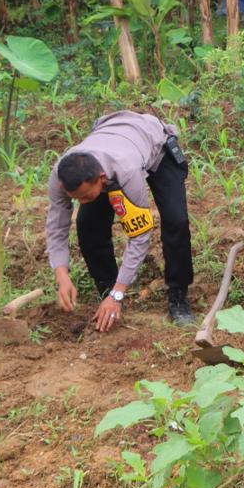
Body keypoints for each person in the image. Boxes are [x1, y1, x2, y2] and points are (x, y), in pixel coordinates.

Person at [46, 111, 195, 332]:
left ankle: (178, 295)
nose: (81, 202)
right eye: (75, 198)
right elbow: (57, 228)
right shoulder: (60, 176)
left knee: (176, 221)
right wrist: (62, 276)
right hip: (114, 141)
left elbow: (140, 235)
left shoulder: (127, 171)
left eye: (85, 196)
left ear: (101, 179)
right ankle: (107, 289)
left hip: (156, 147)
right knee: (87, 225)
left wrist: (120, 292)